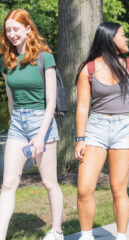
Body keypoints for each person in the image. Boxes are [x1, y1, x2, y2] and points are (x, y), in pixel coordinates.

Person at [75, 22, 129, 240]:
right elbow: (82, 106)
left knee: (118, 188)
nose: (126, 39)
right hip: (95, 128)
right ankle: (86, 236)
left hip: (124, 127)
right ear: (109, 39)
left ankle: (121, 237)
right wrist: (80, 138)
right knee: (84, 188)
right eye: (122, 36)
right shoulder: (88, 69)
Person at [0, 9, 64, 240]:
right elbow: (10, 97)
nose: (11, 34)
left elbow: (51, 101)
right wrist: (14, 123)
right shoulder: (5, 61)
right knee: (8, 184)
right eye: (8, 30)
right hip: (18, 123)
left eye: (16, 29)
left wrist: (40, 136)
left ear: (28, 29)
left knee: (49, 182)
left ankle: (56, 230)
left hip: (41, 121)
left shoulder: (45, 58)